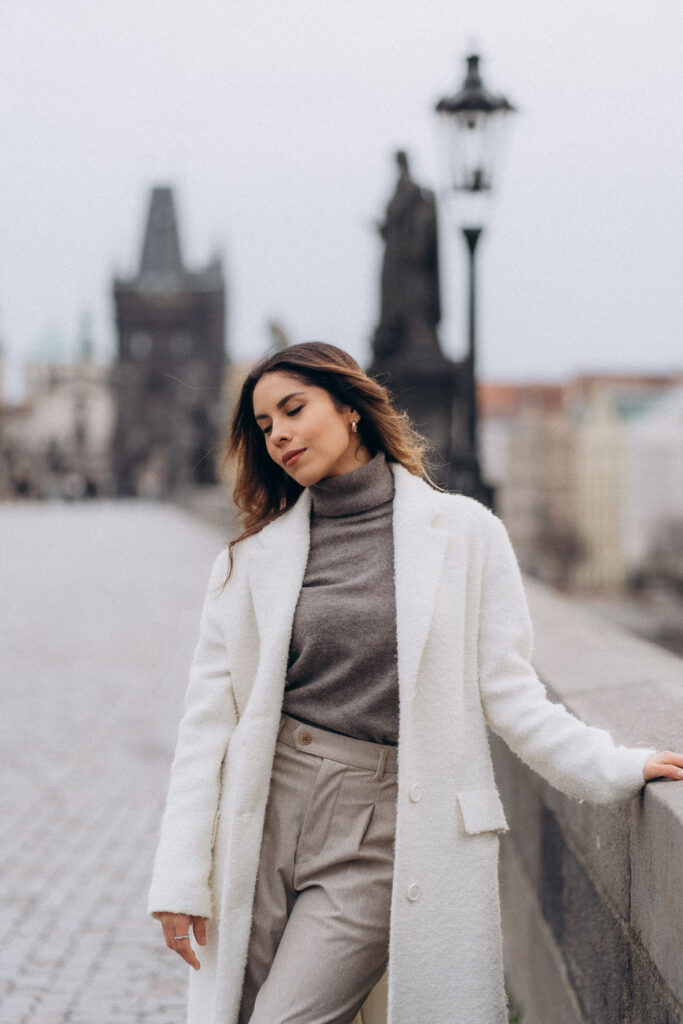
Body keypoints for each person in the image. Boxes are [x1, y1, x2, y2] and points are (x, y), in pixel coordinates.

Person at [148, 341, 683, 1024]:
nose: (277, 433)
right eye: (262, 424)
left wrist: (615, 764)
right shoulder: (250, 560)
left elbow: (511, 694)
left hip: (381, 824)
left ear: (348, 409)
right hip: (263, 809)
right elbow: (206, 727)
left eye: (292, 409)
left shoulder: (463, 534)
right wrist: (180, 876)